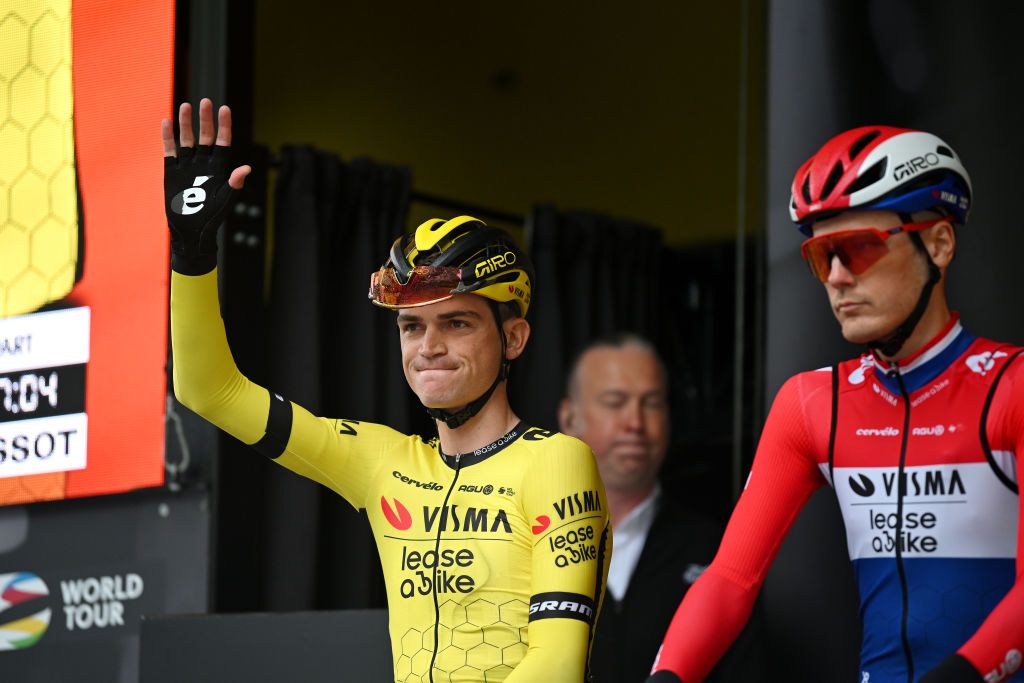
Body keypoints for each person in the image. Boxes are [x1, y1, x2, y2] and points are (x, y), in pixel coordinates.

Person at [163, 99, 611, 683]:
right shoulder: (383, 464)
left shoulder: (557, 460)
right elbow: (209, 391)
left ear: (515, 337)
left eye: (458, 323)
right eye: (411, 326)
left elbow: (556, 664)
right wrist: (191, 256)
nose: (428, 346)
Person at [647, 126, 1024, 683]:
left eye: (861, 247)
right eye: (822, 255)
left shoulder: (1011, 386)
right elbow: (729, 580)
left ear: (940, 244)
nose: (839, 278)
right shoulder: (813, 402)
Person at [559, 333, 763, 683]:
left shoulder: (718, 553)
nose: (635, 423)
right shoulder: (526, 541)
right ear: (569, 419)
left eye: (651, 403)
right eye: (614, 401)